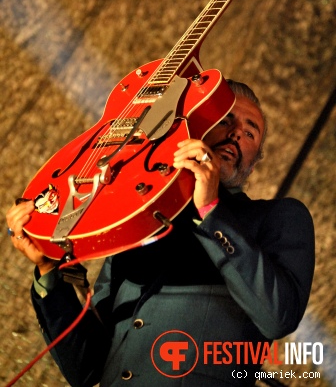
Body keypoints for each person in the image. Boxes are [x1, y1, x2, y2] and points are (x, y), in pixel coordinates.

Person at [6, 80, 315, 387]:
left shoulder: (280, 216)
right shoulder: (138, 219)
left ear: (255, 158)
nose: (236, 133)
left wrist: (210, 210)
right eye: (226, 119)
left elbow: (278, 316)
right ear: (194, 127)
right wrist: (49, 272)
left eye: (250, 132)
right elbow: (87, 369)